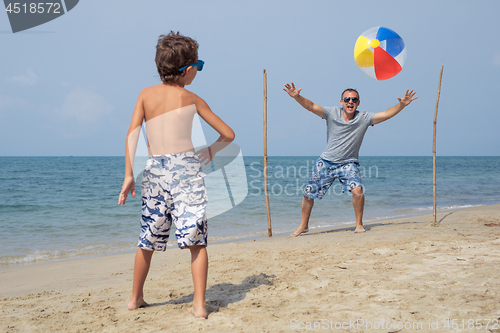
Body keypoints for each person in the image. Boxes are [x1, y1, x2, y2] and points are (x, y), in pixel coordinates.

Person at [118, 32, 235, 318]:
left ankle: (135, 298)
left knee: (148, 237)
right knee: (197, 240)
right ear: (188, 69)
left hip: (155, 170)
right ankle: (198, 305)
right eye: (199, 65)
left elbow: (132, 135)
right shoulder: (192, 98)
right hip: (186, 170)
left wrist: (128, 175)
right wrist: (212, 149)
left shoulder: (145, 95)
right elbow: (228, 134)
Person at [283, 82, 417, 236]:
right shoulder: (331, 113)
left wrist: (401, 105)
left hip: (348, 163)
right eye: (347, 99)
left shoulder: (364, 117)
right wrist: (297, 97)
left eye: (354, 99)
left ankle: (359, 224)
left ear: (358, 103)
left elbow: (386, 114)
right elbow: (311, 106)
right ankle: (303, 225)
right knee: (308, 193)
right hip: (326, 161)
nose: (350, 102)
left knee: (358, 190)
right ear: (341, 102)